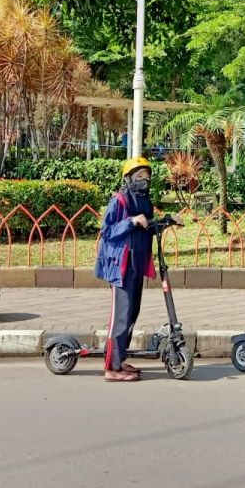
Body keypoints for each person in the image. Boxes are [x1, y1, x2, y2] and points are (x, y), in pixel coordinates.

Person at [94, 156, 157, 382]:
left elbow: (147, 225)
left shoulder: (145, 200)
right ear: (129, 178)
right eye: (139, 176)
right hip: (120, 266)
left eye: (147, 176)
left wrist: (167, 221)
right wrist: (130, 222)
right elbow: (107, 231)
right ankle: (112, 368)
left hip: (137, 264)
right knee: (121, 317)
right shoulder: (119, 201)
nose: (144, 180)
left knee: (132, 313)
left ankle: (119, 359)